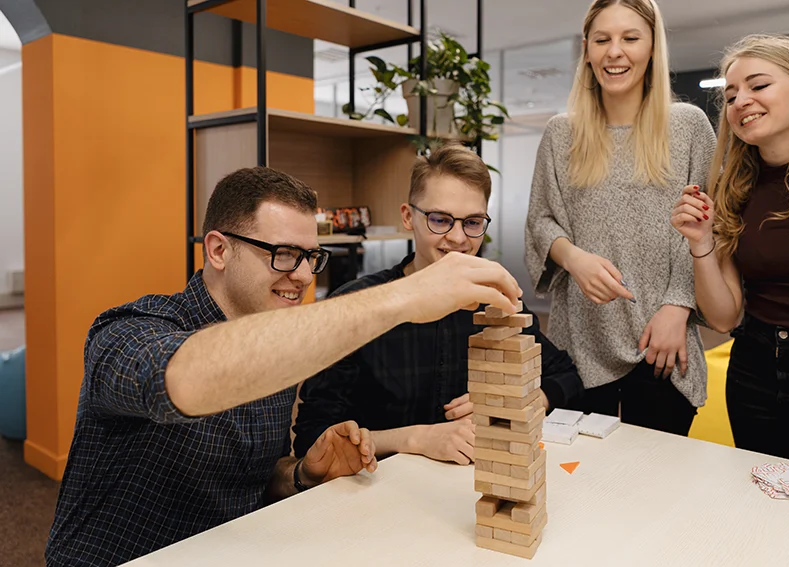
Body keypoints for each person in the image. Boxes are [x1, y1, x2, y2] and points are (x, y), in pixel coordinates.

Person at [45, 167, 523, 566]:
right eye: (282, 255)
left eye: (309, 257)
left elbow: (250, 481)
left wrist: (303, 474)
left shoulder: (282, 335)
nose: (300, 275)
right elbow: (186, 377)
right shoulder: (127, 331)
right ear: (218, 250)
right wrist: (404, 297)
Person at [294, 144, 583, 464]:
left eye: (472, 222)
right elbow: (313, 438)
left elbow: (566, 376)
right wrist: (415, 438)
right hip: (376, 491)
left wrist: (519, 398)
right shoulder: (356, 305)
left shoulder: (497, 301)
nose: (459, 238)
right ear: (408, 217)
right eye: (441, 219)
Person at [524, 0, 717, 436]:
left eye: (630, 38)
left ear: (652, 47)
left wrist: (678, 305)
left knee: (655, 488)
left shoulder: (688, 127)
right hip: (580, 341)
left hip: (664, 342)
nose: (615, 51)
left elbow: (710, 229)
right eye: (602, 39)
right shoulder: (561, 133)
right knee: (579, 482)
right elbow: (540, 219)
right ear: (587, 51)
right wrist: (573, 258)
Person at [671, 34, 789, 468]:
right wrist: (701, 243)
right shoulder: (735, 187)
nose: (740, 101)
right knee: (759, 506)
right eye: (731, 94)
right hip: (755, 368)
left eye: (758, 85)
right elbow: (723, 316)